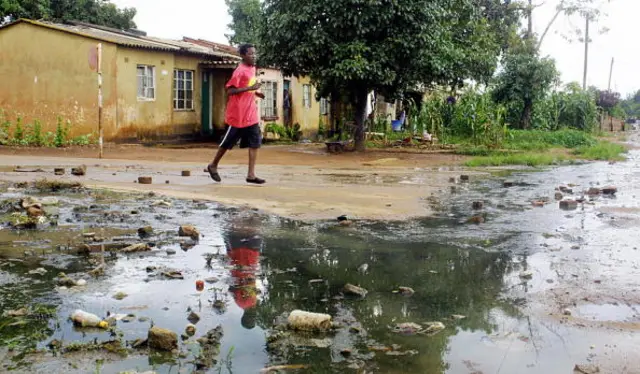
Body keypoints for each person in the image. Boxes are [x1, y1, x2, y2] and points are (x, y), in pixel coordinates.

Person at [207, 44, 266, 184]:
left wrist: (256, 92)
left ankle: (251, 175)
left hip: (250, 113)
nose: (254, 56)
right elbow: (230, 91)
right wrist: (250, 88)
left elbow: (246, 89)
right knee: (227, 143)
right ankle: (213, 165)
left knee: (255, 142)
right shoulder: (239, 71)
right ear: (243, 55)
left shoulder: (252, 69)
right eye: (251, 54)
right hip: (237, 115)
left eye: (255, 53)